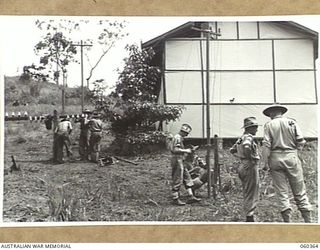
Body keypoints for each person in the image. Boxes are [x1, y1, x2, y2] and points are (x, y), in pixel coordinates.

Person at [261, 104, 312, 223]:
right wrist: (294, 151)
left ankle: (287, 223)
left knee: (282, 192)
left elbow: (266, 145)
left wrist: (265, 163)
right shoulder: (292, 122)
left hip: (275, 157)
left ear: (272, 113)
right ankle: (308, 222)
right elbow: (301, 141)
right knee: (300, 190)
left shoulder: (269, 125)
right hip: (291, 155)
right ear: (281, 112)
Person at [230, 117, 260, 222]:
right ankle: (250, 217)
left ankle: (249, 214)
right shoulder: (248, 137)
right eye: (255, 127)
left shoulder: (241, 138)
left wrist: (241, 157)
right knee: (252, 191)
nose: (256, 129)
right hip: (250, 165)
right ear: (250, 128)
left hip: (242, 165)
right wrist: (250, 158)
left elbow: (232, 150)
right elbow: (247, 146)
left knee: (247, 190)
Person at [170, 124, 201, 206]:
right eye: (186, 133)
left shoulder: (180, 138)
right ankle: (175, 198)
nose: (187, 135)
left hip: (181, 159)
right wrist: (186, 150)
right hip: (177, 159)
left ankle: (191, 196)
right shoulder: (177, 137)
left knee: (187, 177)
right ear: (183, 132)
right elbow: (174, 149)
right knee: (177, 178)